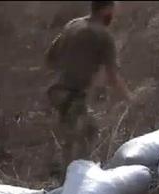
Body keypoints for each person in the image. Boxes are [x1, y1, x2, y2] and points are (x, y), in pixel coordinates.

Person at [45, 0, 132, 169]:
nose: (114, 14)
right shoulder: (103, 36)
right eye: (113, 9)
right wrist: (129, 98)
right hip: (72, 95)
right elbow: (112, 76)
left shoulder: (73, 25)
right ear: (106, 9)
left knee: (73, 139)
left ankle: (68, 173)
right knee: (86, 135)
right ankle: (74, 177)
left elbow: (50, 58)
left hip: (56, 92)